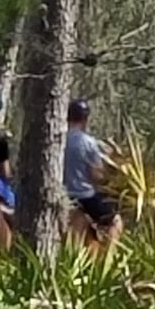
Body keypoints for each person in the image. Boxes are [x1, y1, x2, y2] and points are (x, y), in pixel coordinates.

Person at [63, 98, 122, 238]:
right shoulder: (89, 143)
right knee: (115, 221)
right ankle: (110, 257)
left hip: (61, 195)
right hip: (84, 196)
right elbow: (97, 176)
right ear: (85, 119)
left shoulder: (56, 140)